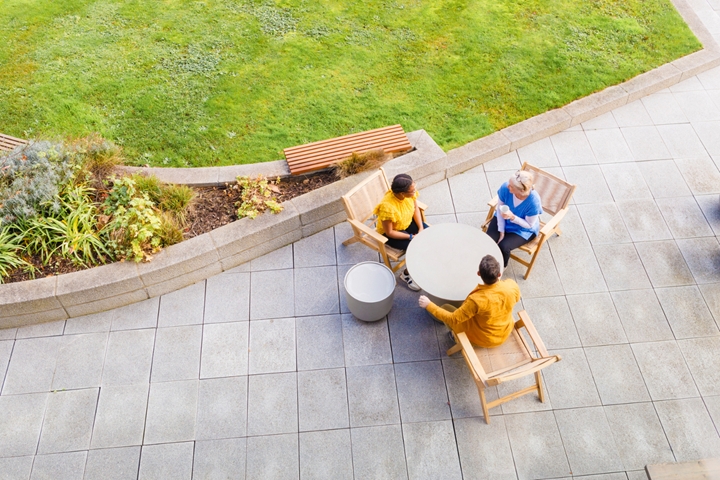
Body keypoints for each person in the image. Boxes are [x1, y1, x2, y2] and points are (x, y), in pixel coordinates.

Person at [418, 255, 520, 348]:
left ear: (478, 273)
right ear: (499, 274)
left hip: (484, 339)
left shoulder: (476, 300)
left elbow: (452, 319)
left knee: (446, 308)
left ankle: (455, 336)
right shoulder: (511, 285)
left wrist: (429, 305)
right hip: (505, 331)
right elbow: (517, 298)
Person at [374, 173, 428, 291]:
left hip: (406, 222)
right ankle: (406, 274)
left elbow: (415, 211)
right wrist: (410, 237)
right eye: (412, 190)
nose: (415, 191)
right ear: (402, 193)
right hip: (393, 233)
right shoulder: (387, 207)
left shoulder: (409, 196)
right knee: (416, 248)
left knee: (428, 236)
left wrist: (420, 228)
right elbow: (389, 232)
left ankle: (423, 265)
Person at [485, 170, 542, 268]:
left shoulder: (534, 202)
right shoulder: (505, 188)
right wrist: (501, 232)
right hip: (503, 219)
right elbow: (500, 210)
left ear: (522, 191)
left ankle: (500, 269)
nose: (508, 186)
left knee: (503, 247)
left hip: (523, 229)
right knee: (489, 240)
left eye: (511, 186)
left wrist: (513, 217)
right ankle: (485, 264)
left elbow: (529, 225)